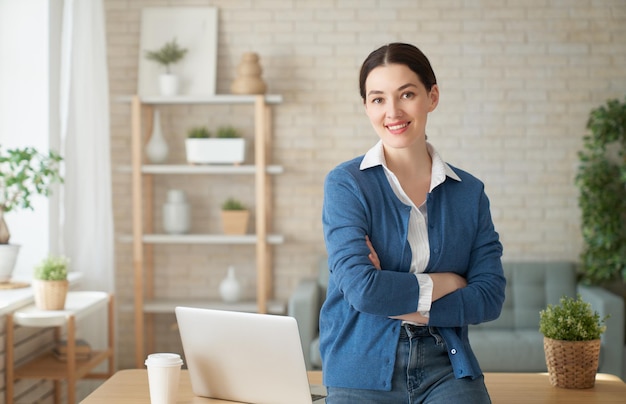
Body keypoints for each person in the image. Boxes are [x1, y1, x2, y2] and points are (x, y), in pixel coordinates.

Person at [320, 42, 506, 403]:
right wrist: (448, 282)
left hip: (447, 367)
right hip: (361, 366)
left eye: (406, 94)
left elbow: (490, 296)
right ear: (366, 107)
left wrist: (396, 298)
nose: (393, 112)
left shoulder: (469, 193)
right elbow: (362, 290)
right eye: (378, 99)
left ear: (432, 97)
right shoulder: (346, 185)